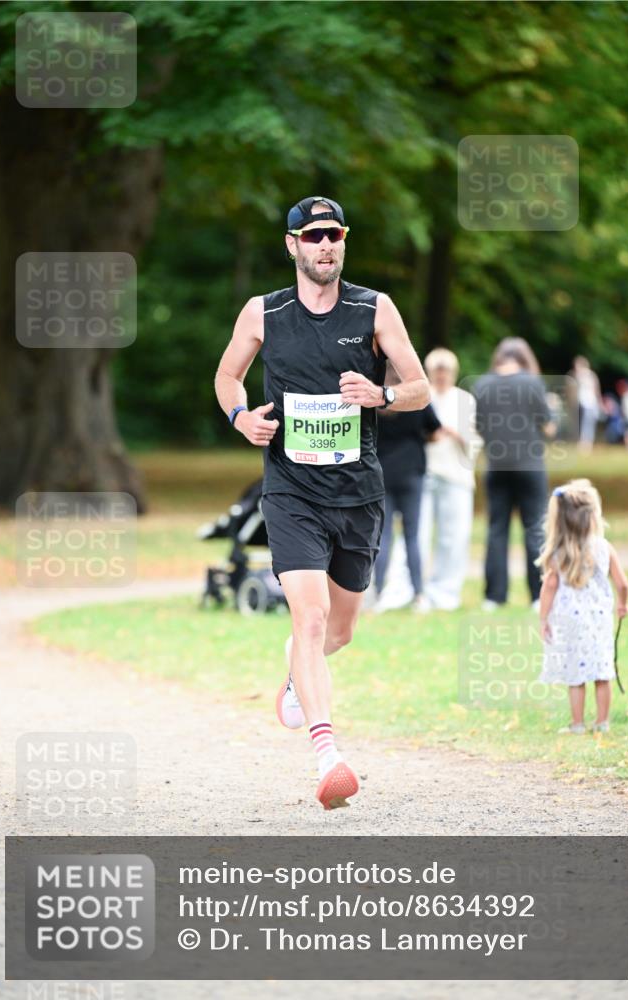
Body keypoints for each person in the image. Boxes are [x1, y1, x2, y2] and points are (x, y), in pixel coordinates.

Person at [214, 196, 430, 810]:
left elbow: (417, 388)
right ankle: (328, 753)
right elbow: (226, 376)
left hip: (358, 490)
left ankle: (294, 677)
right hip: (290, 488)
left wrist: (381, 394)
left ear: (344, 241)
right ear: (292, 246)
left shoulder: (374, 308)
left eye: (334, 234)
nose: (324, 245)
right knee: (306, 618)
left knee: (339, 630)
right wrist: (239, 417)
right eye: (312, 236)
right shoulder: (263, 313)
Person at [536, 479, 628, 734]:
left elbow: (549, 588)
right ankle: (602, 722)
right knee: (602, 671)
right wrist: (623, 604)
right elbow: (622, 583)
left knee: (575, 675)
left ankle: (577, 724)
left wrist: (543, 618)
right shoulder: (604, 547)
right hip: (599, 619)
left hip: (569, 621)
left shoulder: (557, 552)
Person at [473, 338, 556, 611]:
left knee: (497, 530)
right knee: (534, 529)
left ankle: (494, 597)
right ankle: (537, 595)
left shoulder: (482, 385)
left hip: (496, 466)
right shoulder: (532, 384)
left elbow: (479, 427)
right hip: (530, 465)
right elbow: (548, 428)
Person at [373, 366, 440, 613]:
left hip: (381, 474)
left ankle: (379, 592)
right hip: (412, 473)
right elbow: (435, 430)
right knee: (413, 536)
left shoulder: (374, 400)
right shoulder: (414, 399)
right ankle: (419, 594)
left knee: (383, 536)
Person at [422, 348, 482, 611]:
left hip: (456, 475)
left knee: (454, 537)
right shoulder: (422, 398)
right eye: (437, 372)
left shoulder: (465, 400)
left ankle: (446, 592)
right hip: (426, 473)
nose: (441, 377)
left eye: (446, 372)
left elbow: (476, 440)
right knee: (419, 535)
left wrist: (457, 435)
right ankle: (417, 589)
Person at [569, 356, 603, 453]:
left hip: (590, 403)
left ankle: (586, 444)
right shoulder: (574, 375)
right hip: (579, 403)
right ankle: (581, 443)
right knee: (579, 424)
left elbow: (596, 391)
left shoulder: (590, 376)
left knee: (587, 424)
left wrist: (599, 404)